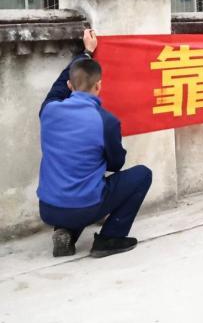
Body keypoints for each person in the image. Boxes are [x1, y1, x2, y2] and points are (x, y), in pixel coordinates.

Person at [37, 29, 152, 258]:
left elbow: (59, 85)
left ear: (69, 85)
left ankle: (65, 231)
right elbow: (116, 164)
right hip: (84, 206)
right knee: (142, 175)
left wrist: (86, 52)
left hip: (47, 208)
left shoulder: (48, 110)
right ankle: (109, 239)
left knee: (79, 181)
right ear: (98, 86)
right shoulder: (106, 121)